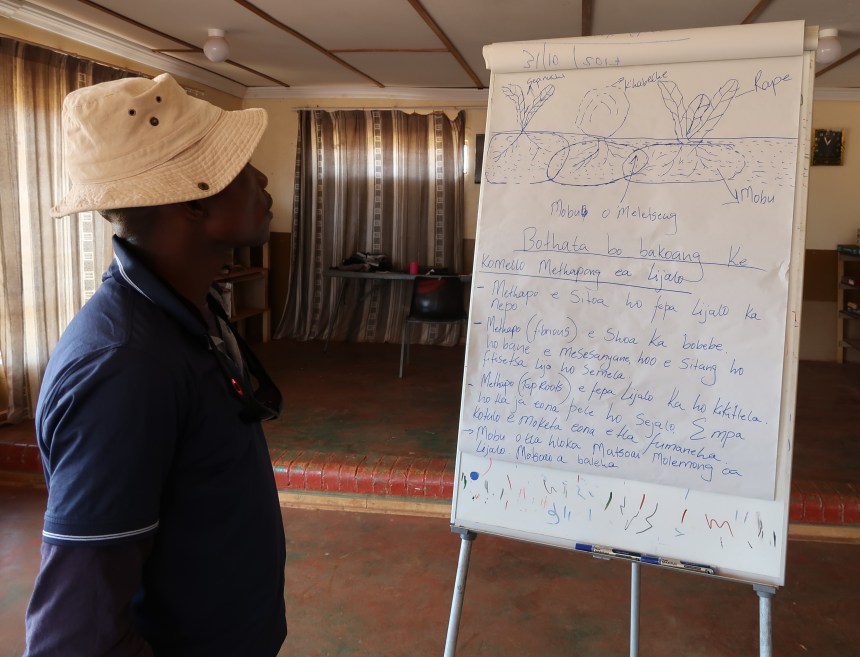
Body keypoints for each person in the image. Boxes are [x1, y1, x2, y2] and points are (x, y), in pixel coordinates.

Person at [23, 73, 287, 656]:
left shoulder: (188, 311)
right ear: (192, 199)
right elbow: (76, 638)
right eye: (241, 167)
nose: (263, 180)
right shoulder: (123, 369)